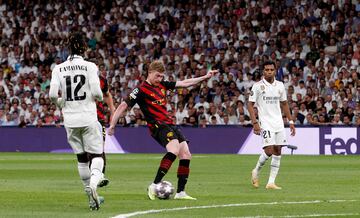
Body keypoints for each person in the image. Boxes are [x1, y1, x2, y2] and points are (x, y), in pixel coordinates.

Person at [108, 60, 217, 200]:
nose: (160, 79)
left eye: (161, 76)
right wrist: (112, 125)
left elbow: (184, 83)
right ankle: (154, 185)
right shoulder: (140, 90)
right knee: (173, 149)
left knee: (186, 154)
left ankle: (180, 193)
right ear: (150, 72)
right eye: (157, 76)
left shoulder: (162, 85)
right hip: (157, 125)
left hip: (169, 123)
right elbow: (123, 106)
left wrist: (204, 77)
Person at [49, 32, 105, 210]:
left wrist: (59, 103)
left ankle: (90, 198)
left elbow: (51, 95)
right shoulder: (90, 66)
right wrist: (100, 98)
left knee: (81, 158)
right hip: (88, 116)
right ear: (85, 47)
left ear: (68, 48)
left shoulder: (58, 68)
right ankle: (95, 184)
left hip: (70, 120)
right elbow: (97, 93)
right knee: (97, 155)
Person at [247, 61, 296, 190]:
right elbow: (250, 105)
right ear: (263, 71)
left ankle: (271, 182)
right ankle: (256, 170)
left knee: (278, 150)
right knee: (269, 150)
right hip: (265, 122)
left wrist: (290, 121)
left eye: (271, 70)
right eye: (267, 70)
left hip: (278, 122)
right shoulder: (257, 86)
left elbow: (284, 104)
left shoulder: (280, 85)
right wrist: (255, 123)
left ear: (275, 71)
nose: (269, 72)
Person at [96, 71, 115, 187]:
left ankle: (101, 176)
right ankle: (92, 175)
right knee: (87, 151)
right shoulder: (81, 79)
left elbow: (107, 95)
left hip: (99, 118)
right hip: (84, 118)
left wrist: (113, 111)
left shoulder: (102, 80)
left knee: (100, 147)